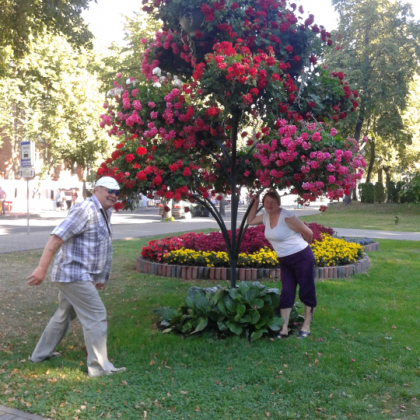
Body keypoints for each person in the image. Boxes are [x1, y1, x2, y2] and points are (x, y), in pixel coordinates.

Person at [26, 176, 126, 377]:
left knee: (64, 314)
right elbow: (57, 237)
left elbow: (101, 246)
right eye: (109, 191)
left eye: (117, 192)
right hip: (73, 274)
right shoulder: (85, 209)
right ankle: (99, 368)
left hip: (82, 274)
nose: (114, 195)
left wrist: (100, 277)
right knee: (96, 315)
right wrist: (41, 268)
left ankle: (39, 355)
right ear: (96, 189)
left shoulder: (105, 211)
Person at [247, 190, 316, 339]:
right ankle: (283, 329)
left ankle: (306, 326)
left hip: (301, 257)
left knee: (306, 290)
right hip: (285, 260)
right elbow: (250, 221)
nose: (269, 205)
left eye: (273, 202)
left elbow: (308, 232)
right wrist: (255, 203)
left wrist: (307, 246)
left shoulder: (286, 216)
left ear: (279, 203)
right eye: (266, 202)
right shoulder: (266, 216)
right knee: (287, 291)